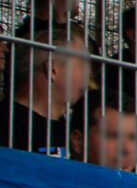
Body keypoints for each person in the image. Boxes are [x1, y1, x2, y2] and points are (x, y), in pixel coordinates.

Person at [6, 23, 92, 157]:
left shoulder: (74, 131)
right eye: (82, 65)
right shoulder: (6, 124)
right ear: (52, 69)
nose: (88, 76)